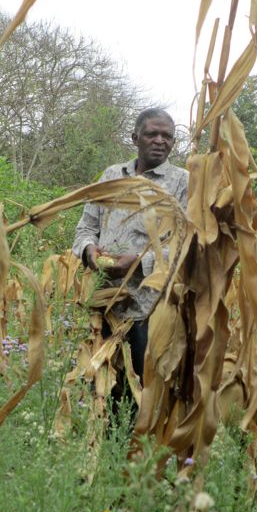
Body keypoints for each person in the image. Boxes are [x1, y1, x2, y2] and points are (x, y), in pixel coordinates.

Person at [72, 108, 189, 381]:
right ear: (135, 138)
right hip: (102, 302)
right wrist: (89, 250)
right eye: (152, 134)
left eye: (167, 136)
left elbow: (187, 243)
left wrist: (137, 260)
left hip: (149, 307)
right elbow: (86, 227)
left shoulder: (183, 182)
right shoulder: (113, 175)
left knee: (143, 387)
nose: (160, 141)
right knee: (99, 387)